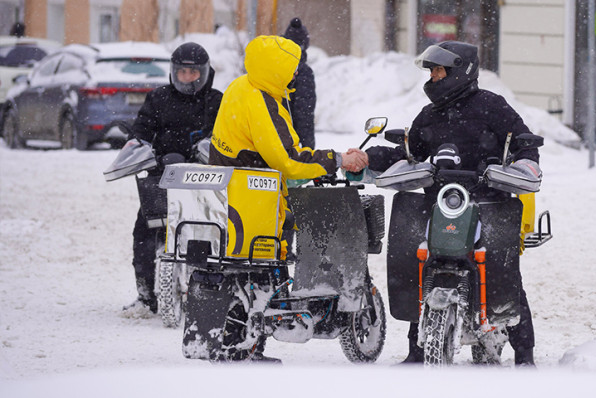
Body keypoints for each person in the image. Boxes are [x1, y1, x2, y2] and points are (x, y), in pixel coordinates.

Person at [361, 41, 541, 366]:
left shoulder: (493, 106)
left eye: (439, 70)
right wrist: (368, 158)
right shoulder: (430, 114)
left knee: (503, 271)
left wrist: (523, 164)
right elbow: (408, 151)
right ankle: (418, 350)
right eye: (431, 71)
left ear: (461, 71)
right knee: (419, 263)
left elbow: (523, 144)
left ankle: (525, 354)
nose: (433, 77)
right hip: (439, 204)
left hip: (489, 203)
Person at [208, 35, 366, 359]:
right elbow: (289, 160)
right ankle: (254, 338)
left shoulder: (242, 86)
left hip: (233, 190)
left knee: (255, 261)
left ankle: (252, 333)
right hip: (254, 194)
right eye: (291, 68)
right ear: (277, 69)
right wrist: (336, 159)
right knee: (268, 256)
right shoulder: (261, 99)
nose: (294, 74)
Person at [123, 42, 223, 316]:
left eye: (193, 73)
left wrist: (206, 148)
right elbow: (142, 128)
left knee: (212, 236)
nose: (187, 78)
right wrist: (138, 143)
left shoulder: (217, 101)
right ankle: (145, 297)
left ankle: (210, 294)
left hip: (203, 182)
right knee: (143, 233)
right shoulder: (158, 98)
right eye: (182, 73)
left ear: (204, 72)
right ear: (173, 72)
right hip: (161, 180)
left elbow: (225, 137)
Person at [283, 17, 317, 149]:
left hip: (269, 135)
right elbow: (304, 113)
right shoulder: (303, 72)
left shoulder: (274, 64)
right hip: (289, 139)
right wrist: (309, 147)